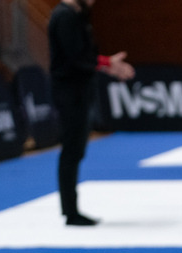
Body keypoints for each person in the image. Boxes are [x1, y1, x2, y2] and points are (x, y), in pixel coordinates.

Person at [47, 0, 133, 226]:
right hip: (69, 93)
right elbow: (76, 58)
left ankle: (71, 209)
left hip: (79, 91)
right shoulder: (65, 17)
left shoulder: (78, 15)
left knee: (76, 150)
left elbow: (86, 55)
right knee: (72, 150)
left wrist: (106, 64)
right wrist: (106, 63)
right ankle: (70, 211)